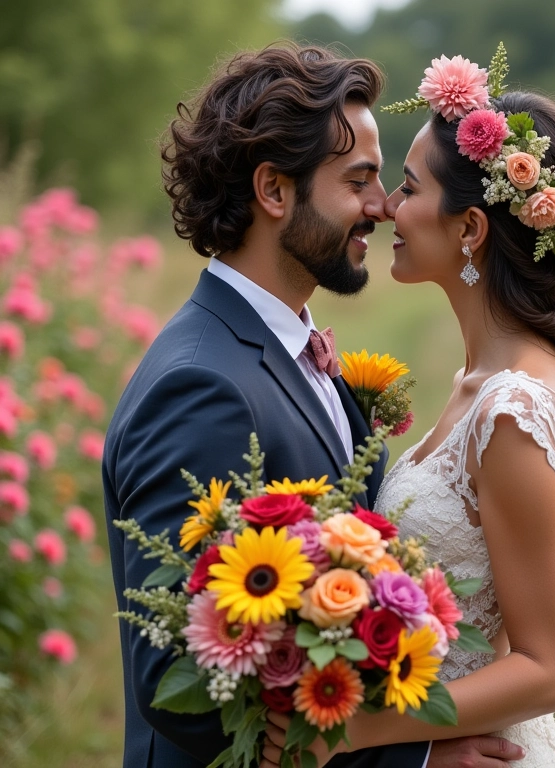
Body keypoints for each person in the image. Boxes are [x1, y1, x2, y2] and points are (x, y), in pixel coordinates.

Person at [261, 48, 555, 768]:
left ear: (470, 229)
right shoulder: (479, 381)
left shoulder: (515, 410)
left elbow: (549, 668)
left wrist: (358, 731)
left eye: (408, 188)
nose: (387, 208)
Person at [103, 43, 524, 768]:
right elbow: (184, 689)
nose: (381, 206)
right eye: (358, 181)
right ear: (274, 191)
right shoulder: (200, 387)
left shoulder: (297, 356)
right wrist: (412, 761)